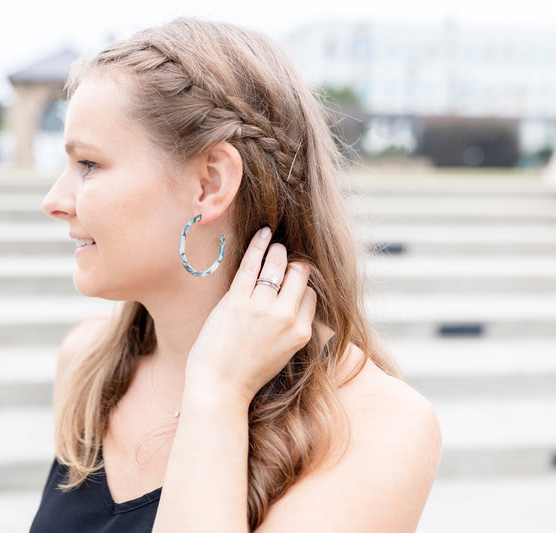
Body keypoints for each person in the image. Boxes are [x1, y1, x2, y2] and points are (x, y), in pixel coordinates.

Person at [31, 17, 441, 532]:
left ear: (209, 183)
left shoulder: (376, 424)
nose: (54, 201)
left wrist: (218, 393)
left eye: (88, 163)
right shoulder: (89, 366)